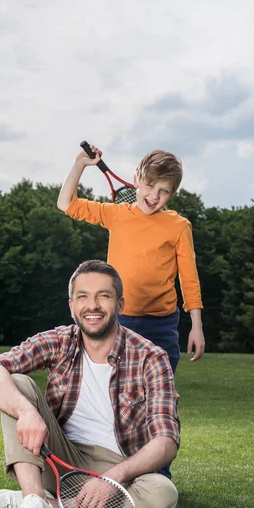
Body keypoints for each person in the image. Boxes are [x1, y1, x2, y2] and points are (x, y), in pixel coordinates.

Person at [0, 260, 180, 508]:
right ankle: (34, 497)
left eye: (103, 296)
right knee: (16, 383)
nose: (92, 306)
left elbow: (166, 441)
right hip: (59, 457)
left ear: (120, 305)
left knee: (163, 493)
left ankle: (47, 504)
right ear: (72, 306)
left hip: (119, 467)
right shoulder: (60, 341)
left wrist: (112, 479)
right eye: (83, 297)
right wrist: (26, 412)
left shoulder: (150, 357)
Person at [57, 145, 205, 373]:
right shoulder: (116, 215)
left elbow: (189, 278)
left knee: (159, 392)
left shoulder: (179, 226)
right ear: (136, 179)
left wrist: (196, 325)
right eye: (150, 185)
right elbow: (65, 203)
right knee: (118, 390)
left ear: (172, 194)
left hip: (162, 324)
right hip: (119, 320)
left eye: (164, 191)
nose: (155, 196)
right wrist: (80, 164)